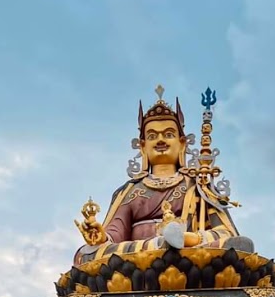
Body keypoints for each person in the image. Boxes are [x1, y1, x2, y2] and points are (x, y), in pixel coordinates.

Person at [73, 86, 253, 264]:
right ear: (142, 146)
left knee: (241, 245)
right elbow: (113, 237)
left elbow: (226, 233)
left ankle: (172, 244)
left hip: (188, 255)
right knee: (86, 254)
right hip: (135, 259)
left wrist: (191, 239)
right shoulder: (128, 191)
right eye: (152, 136)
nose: (160, 140)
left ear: (182, 143)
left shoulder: (198, 185)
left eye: (168, 134)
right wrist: (100, 237)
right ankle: (164, 245)